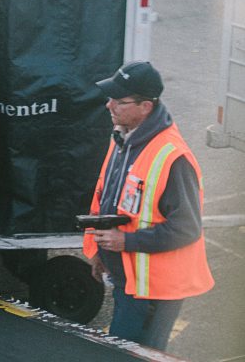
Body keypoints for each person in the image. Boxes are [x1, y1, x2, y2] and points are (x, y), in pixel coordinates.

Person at [83, 60, 213, 350]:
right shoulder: (122, 138)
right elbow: (111, 201)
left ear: (146, 107)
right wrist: (101, 251)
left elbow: (187, 229)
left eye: (119, 100)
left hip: (154, 291)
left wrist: (125, 242)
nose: (109, 106)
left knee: (138, 354)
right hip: (129, 282)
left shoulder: (173, 157)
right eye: (110, 97)